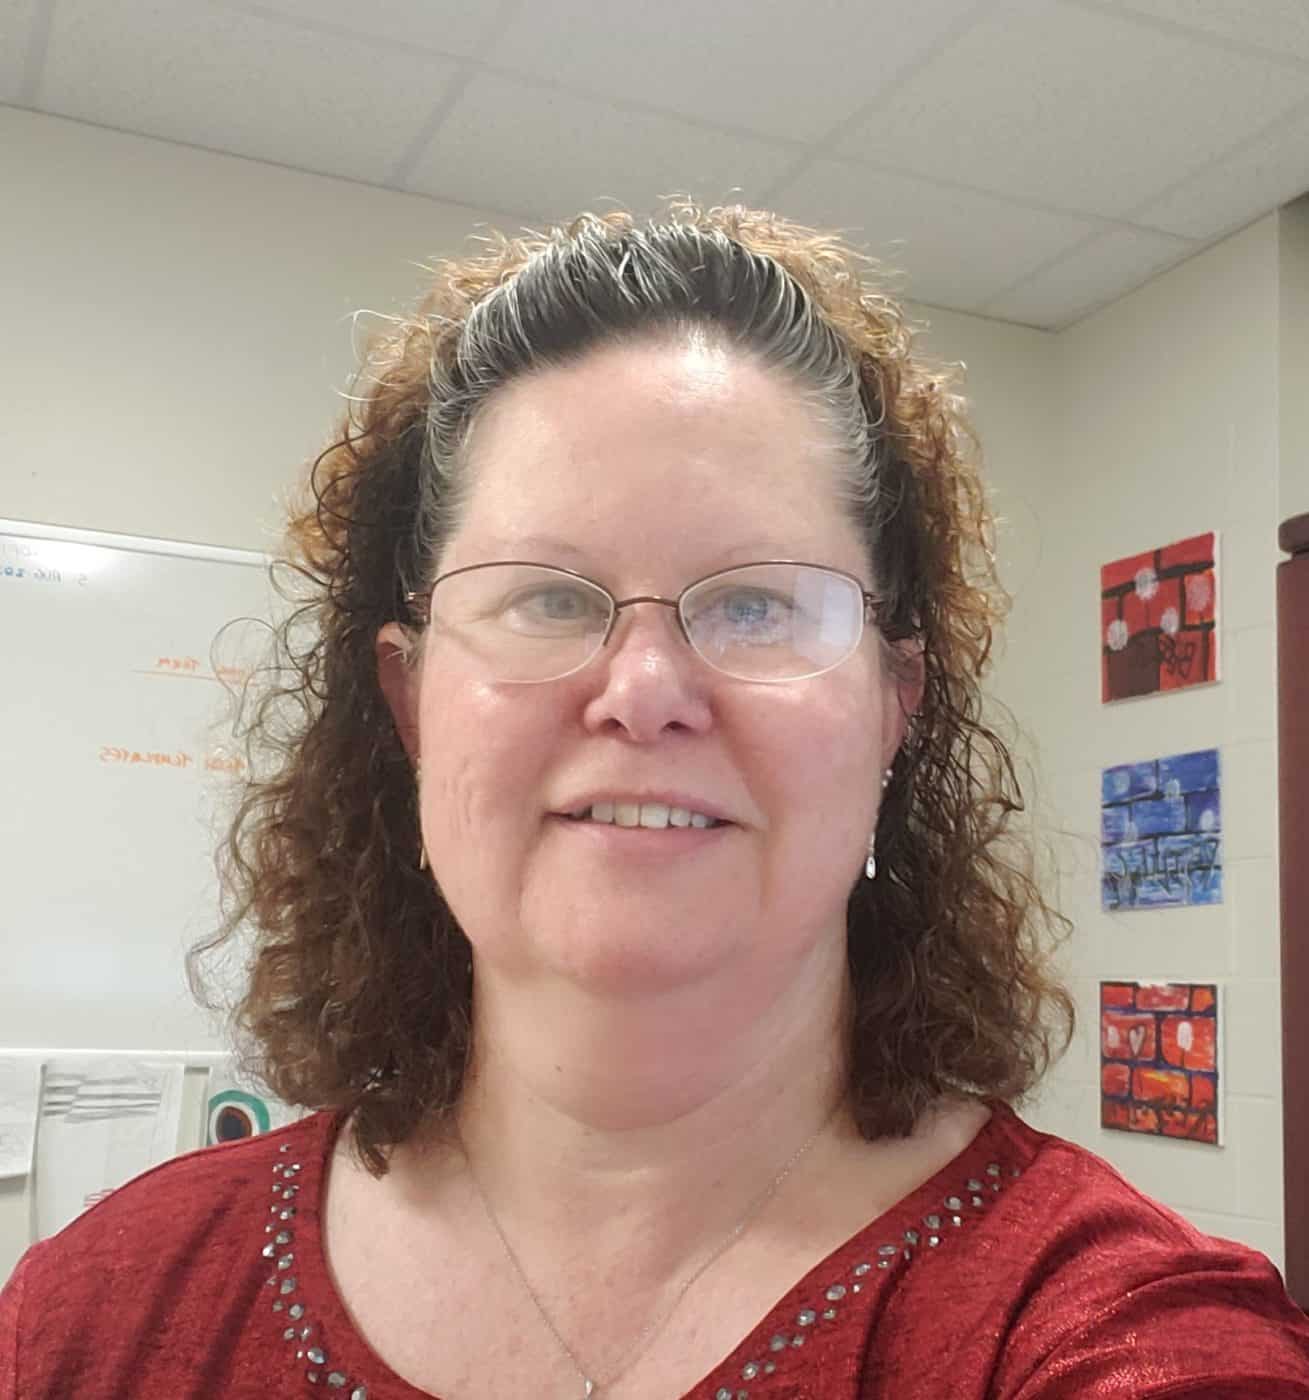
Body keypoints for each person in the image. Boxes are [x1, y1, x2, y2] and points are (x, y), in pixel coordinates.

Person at [2, 202, 1306, 1400]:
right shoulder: (93, 1316)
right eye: (545, 596)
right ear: (411, 704)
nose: (643, 692)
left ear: (893, 705)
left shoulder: (1108, 1337)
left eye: (756, 604)